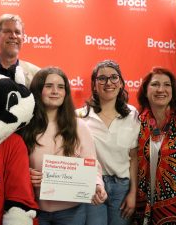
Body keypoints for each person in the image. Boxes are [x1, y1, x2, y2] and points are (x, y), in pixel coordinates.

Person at [20, 66, 107, 225]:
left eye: (61, 87)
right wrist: (25, 175)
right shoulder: (24, 127)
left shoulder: (79, 126)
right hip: (33, 210)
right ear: (38, 90)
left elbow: (92, 165)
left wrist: (97, 185)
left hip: (71, 212)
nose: (55, 91)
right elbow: (13, 167)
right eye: (48, 86)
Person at [76, 60, 140, 225]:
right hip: (92, 186)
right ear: (94, 85)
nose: (108, 83)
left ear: (121, 83)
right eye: (102, 78)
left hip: (122, 189)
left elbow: (134, 157)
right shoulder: (80, 116)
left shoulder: (132, 114)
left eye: (114, 77)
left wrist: (133, 193)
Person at [134, 67, 176, 225]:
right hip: (144, 208)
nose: (161, 89)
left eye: (166, 85)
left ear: (173, 90)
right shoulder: (138, 122)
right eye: (155, 84)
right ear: (145, 90)